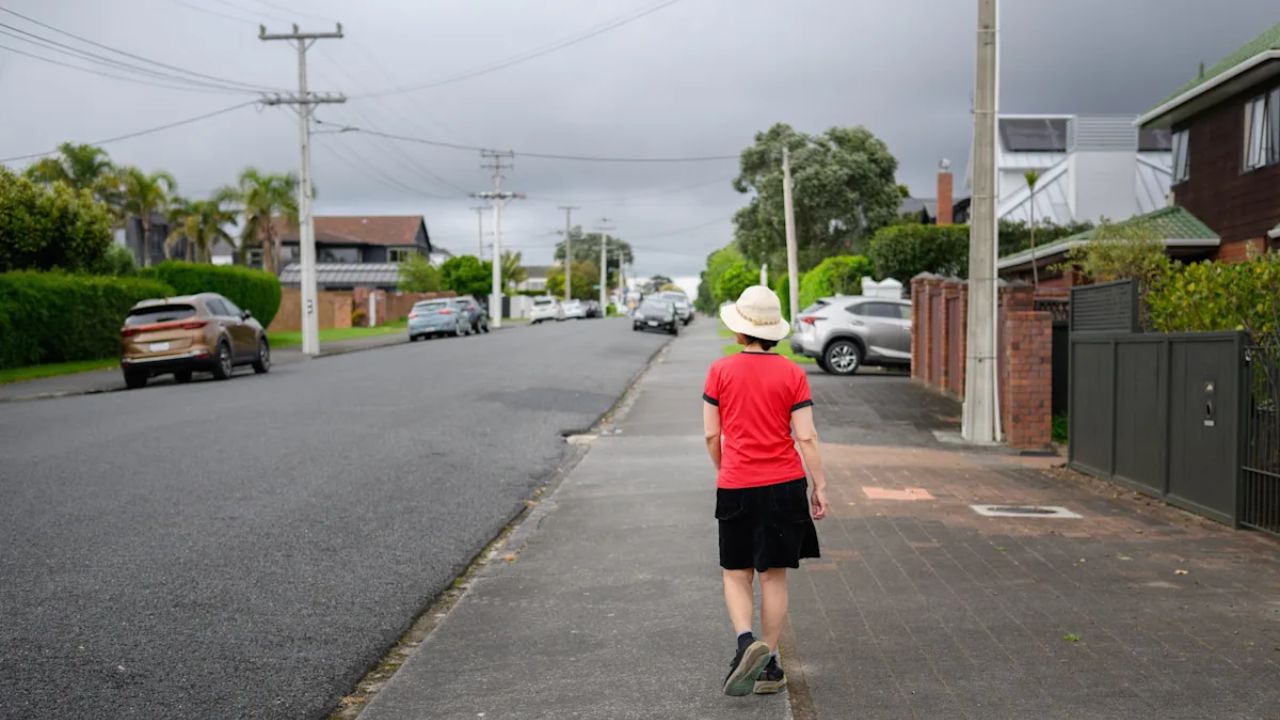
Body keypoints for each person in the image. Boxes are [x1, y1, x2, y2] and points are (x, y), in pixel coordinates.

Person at [703, 285, 828, 697]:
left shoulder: (720, 371)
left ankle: (744, 642)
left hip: (737, 483)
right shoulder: (793, 373)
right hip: (785, 486)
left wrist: (727, 469)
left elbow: (710, 433)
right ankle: (769, 665)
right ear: (774, 330)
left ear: (739, 331)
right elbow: (806, 436)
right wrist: (819, 484)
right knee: (774, 577)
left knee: (736, 573)